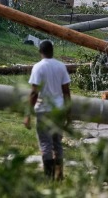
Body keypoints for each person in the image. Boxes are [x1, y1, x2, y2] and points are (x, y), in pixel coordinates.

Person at [25, 40, 71, 181]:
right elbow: (66, 92)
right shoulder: (61, 66)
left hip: (44, 110)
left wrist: (28, 114)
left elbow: (34, 93)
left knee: (46, 144)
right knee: (57, 143)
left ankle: (49, 177)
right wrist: (68, 114)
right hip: (58, 110)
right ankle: (59, 174)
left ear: (40, 52)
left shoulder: (38, 67)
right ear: (52, 51)